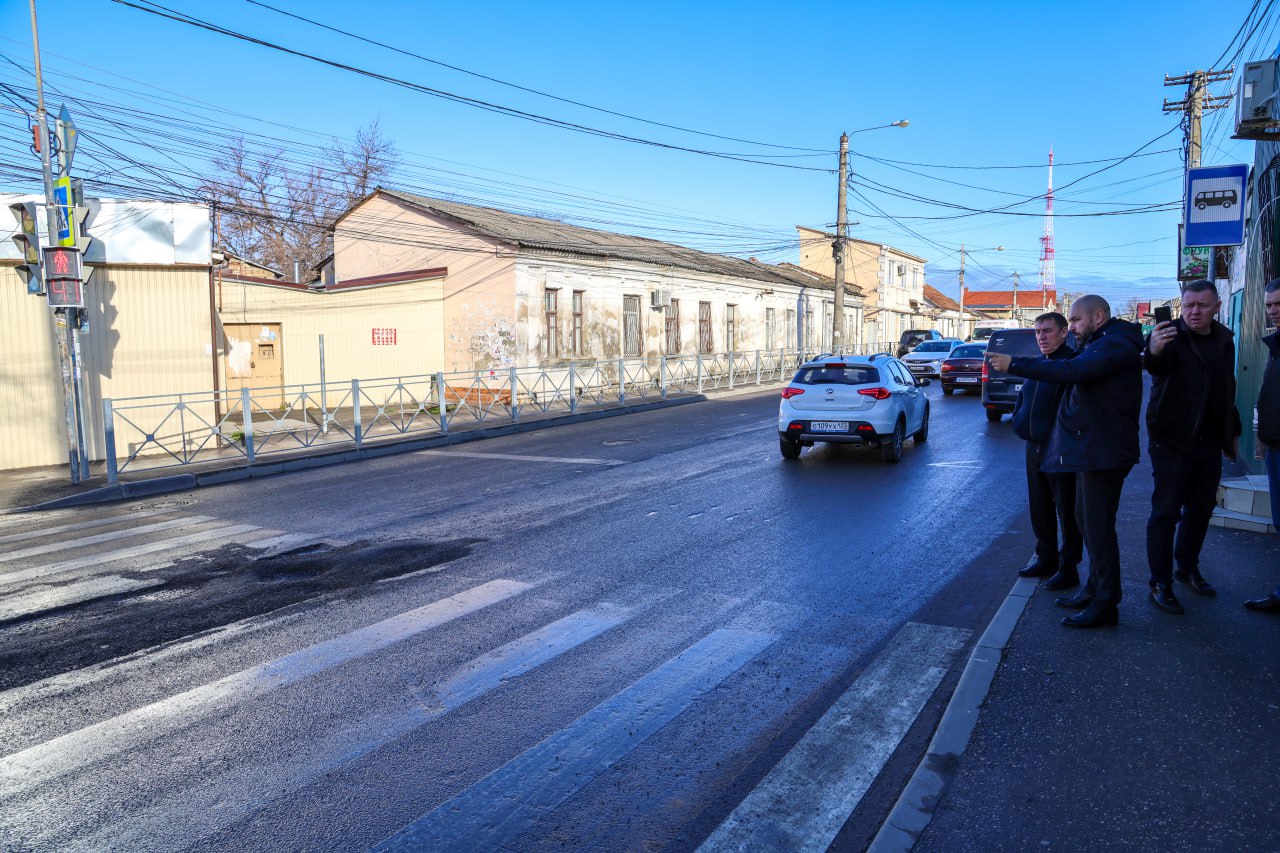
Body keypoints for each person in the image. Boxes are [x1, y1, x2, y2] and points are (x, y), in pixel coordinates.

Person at [988, 295, 1145, 628]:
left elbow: (1074, 371)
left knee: (1098, 529)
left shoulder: (1114, 344)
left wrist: (1013, 363)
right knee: (1085, 521)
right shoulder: (1102, 341)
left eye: (1074, 320)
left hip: (1104, 452)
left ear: (1098, 316)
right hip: (1092, 451)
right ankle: (1093, 589)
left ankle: (1105, 604)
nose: (1071, 327)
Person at [1143, 280, 1242, 615]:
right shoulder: (1169, 336)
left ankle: (1186, 567)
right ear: (1181, 306)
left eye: (1202, 305)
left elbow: (1226, 388)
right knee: (1165, 513)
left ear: (1216, 307)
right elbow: (1156, 366)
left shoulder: (1223, 340)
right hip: (1171, 441)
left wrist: (1233, 432)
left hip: (1209, 441)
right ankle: (1160, 582)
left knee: (1201, 511)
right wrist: (1153, 348)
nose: (1194, 312)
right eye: (1189, 306)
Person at [1011, 312, 1083, 591]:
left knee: (1067, 511)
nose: (1041, 337)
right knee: (1040, 506)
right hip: (1035, 447)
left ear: (1065, 332)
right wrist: (1019, 420)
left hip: (1061, 450)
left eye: (1048, 331)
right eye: (1038, 331)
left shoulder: (1072, 366)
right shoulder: (1040, 364)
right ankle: (1046, 558)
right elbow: (1023, 399)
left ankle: (1069, 568)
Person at [1245, 278, 1280, 612]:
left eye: (1278, 304)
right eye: (1269, 304)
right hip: (1274, 447)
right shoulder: (1276, 346)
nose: (1273, 311)